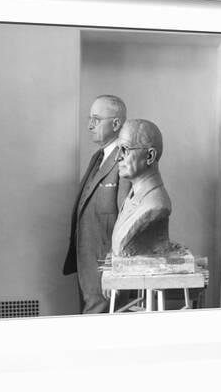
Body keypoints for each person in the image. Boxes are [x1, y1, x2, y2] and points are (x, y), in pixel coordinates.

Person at [63, 94, 131, 314]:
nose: (90, 125)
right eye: (89, 118)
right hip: (88, 258)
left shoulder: (125, 159)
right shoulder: (98, 157)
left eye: (96, 119)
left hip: (105, 261)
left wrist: (115, 264)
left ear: (116, 123)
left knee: (99, 321)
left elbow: (126, 217)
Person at [110, 119, 172, 257]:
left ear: (150, 156)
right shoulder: (132, 196)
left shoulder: (155, 205)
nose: (117, 157)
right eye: (117, 149)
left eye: (125, 149)